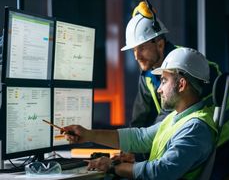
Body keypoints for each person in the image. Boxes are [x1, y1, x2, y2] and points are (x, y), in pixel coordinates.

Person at [121, 0, 229, 179]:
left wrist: (140, 155)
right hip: (205, 138)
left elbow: (174, 113)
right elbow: (141, 118)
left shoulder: (185, 61)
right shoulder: (147, 74)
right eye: (133, 50)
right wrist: (131, 150)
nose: (136, 56)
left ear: (159, 44)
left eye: (142, 48)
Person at [64, 48, 218, 179]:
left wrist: (113, 166)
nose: (159, 89)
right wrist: (88, 135)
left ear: (182, 84)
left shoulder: (196, 128)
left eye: (164, 81)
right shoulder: (178, 118)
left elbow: (161, 171)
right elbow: (140, 137)